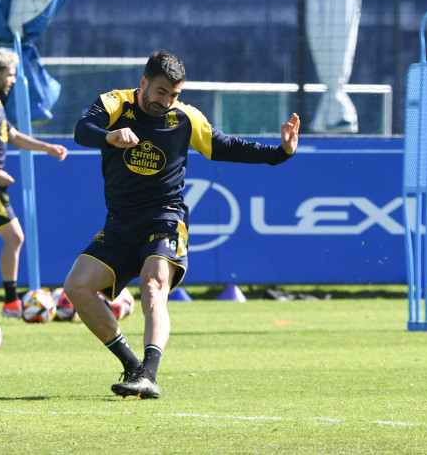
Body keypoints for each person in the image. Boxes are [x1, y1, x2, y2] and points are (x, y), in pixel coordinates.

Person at [63, 50, 300, 399]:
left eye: (174, 95)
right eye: (160, 92)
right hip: (119, 223)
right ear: (143, 83)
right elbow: (82, 130)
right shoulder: (115, 103)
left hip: (164, 218)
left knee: (153, 284)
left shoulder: (185, 117)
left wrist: (279, 153)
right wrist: (108, 137)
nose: (167, 101)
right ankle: (132, 365)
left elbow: (226, 147)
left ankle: (149, 374)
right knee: (77, 286)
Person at [0, 46, 68, 320]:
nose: (13, 79)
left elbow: (13, 136)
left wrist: (47, 147)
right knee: (15, 237)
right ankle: (11, 303)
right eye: (11, 74)